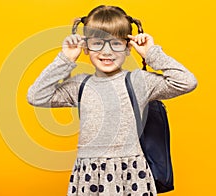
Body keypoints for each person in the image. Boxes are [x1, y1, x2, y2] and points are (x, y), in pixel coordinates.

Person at [27, 5, 197, 196]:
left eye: (116, 43)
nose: (106, 52)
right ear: (85, 47)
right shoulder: (79, 85)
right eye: (98, 43)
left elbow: (187, 82)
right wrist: (65, 58)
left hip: (131, 175)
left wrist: (151, 53)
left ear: (127, 47)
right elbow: (36, 95)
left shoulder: (139, 81)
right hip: (89, 175)